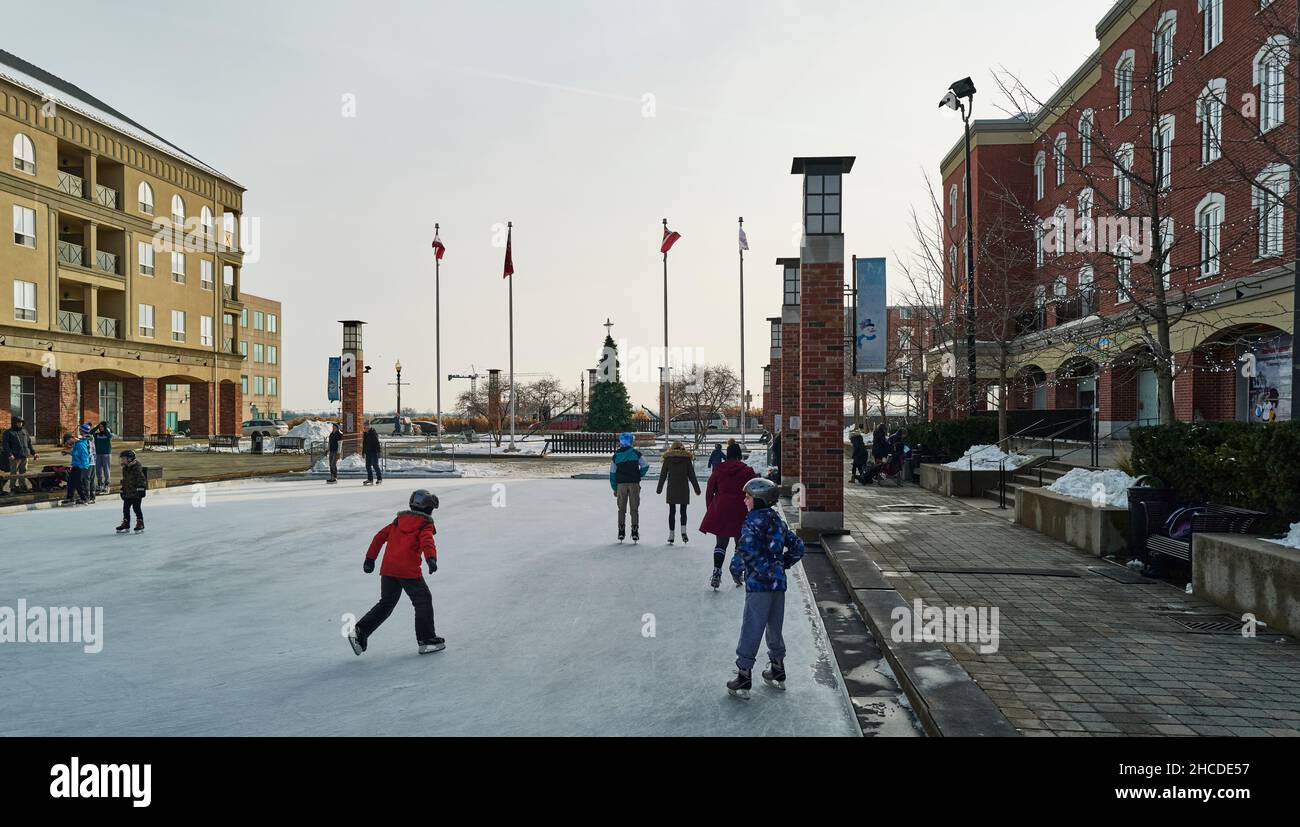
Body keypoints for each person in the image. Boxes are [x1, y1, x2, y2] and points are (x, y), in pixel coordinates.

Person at [725, 477, 806, 700]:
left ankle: (743, 674)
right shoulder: (777, 521)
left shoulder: (752, 521)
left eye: (748, 497)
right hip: (777, 585)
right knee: (774, 627)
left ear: (758, 500)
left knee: (752, 627)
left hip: (758, 585)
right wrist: (781, 564)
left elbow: (745, 551)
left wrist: (735, 569)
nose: (744, 500)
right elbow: (798, 546)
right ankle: (777, 669)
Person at [348, 489, 444, 655]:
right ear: (429, 510)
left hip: (388, 569)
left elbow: (379, 537)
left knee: (386, 603)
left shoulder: (397, 522)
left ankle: (360, 631)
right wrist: (431, 559)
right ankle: (426, 639)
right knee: (423, 600)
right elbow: (427, 541)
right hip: (408, 571)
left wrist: (370, 559)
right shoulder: (425, 525)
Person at [699, 442, 758, 590]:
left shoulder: (719, 470)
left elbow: (709, 490)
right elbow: (755, 491)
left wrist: (711, 508)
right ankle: (738, 572)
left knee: (721, 543)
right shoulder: (747, 471)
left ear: (727, 455)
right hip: (741, 510)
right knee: (740, 544)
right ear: (739, 456)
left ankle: (717, 572)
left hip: (722, 509)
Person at [656, 440, 700, 545]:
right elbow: (692, 475)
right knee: (683, 512)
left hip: (672, 488)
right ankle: (683, 532)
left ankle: (671, 535)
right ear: (682, 448)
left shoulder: (668, 459)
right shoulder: (686, 460)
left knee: (672, 512)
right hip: (683, 487)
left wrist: (659, 488)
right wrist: (697, 489)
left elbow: (663, 475)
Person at [609, 431, 648, 543]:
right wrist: (638, 475)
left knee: (621, 508)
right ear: (631, 441)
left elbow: (612, 473)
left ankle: (621, 531)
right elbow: (645, 465)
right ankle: (634, 530)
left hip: (621, 485)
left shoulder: (616, 456)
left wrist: (615, 488)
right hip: (634, 484)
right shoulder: (636, 453)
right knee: (634, 508)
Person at [3, 416, 37, 495]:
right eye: (18, 422)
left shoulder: (24, 431)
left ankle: (22, 486)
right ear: (14, 423)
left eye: (21, 422)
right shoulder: (8, 432)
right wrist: (10, 454)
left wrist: (34, 453)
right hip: (14, 456)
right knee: (14, 472)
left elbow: (29, 444)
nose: (20, 424)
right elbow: (6, 445)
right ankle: (12, 487)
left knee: (23, 471)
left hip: (24, 455)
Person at [116, 450, 147, 533]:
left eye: (123, 459)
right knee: (125, 509)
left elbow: (142, 479)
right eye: (121, 459)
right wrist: (122, 489)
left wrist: (141, 488)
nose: (122, 461)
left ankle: (140, 522)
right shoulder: (125, 468)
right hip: (128, 492)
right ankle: (126, 523)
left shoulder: (137, 467)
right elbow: (125, 480)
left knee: (136, 508)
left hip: (136, 493)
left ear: (130, 459)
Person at [61, 428, 94, 505]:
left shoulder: (80, 444)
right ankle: (70, 497)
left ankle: (84, 498)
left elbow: (84, 456)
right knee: (70, 481)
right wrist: (68, 453)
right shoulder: (76, 445)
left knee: (78, 482)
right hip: (76, 465)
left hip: (80, 466)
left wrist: (84, 466)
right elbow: (76, 454)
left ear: (71, 439)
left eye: (67, 442)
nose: (68, 444)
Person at [93, 422, 114, 495]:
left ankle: (107, 484)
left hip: (106, 454)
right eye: (100, 427)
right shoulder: (97, 435)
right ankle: (100, 484)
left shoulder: (109, 434)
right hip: (98, 454)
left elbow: (109, 436)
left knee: (106, 470)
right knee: (98, 470)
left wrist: (106, 429)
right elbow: (90, 433)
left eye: (102, 427)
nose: (100, 428)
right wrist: (96, 427)